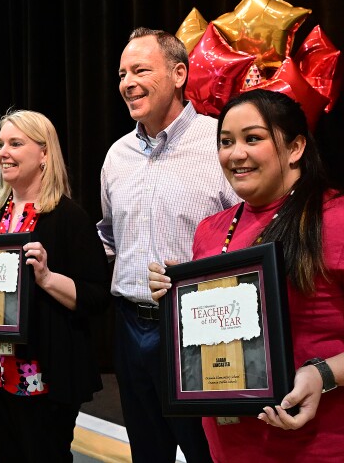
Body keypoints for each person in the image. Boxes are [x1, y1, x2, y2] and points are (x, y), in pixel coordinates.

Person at [148, 89, 344, 462]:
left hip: (338, 451)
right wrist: (181, 296)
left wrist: (324, 373)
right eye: (226, 142)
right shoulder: (211, 230)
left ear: (295, 148)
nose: (235, 153)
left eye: (252, 138)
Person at [97, 27, 240, 463]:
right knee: (147, 451)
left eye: (140, 69)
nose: (127, 83)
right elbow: (108, 234)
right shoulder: (116, 155)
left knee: (207, 452)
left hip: (200, 326)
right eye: (122, 74)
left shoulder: (221, 144)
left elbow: (251, 233)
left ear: (179, 74)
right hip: (129, 325)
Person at [0, 109, 111, 462]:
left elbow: (96, 297)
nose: (3, 152)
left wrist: (48, 278)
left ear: (44, 153)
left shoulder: (69, 217)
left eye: (15, 143)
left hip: (43, 374)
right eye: (1, 143)